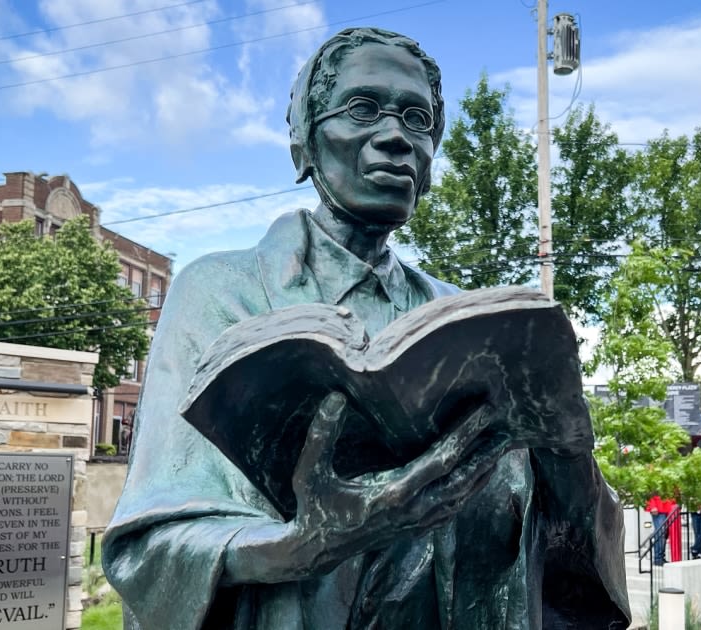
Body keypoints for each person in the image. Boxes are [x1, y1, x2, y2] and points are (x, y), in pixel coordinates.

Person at [101, 27, 631, 630]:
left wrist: (566, 459)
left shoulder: (466, 323)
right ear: (305, 138)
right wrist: (300, 545)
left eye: (418, 119)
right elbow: (150, 544)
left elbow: (573, 556)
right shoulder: (220, 292)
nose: (395, 138)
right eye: (362, 109)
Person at [645, 494, 678, 565]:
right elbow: (649, 490)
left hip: (668, 507)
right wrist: (652, 506)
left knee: (664, 534)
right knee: (660, 533)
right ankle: (658, 558)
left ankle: (661, 557)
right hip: (658, 509)